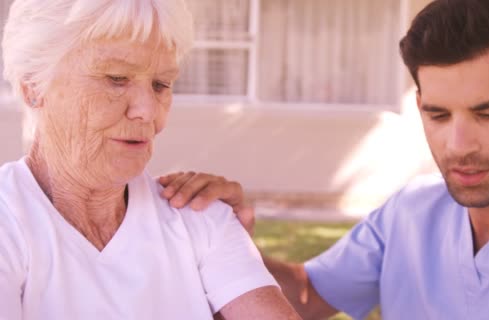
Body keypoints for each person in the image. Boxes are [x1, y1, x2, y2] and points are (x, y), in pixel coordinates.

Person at [163, 0, 489, 319]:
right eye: (438, 114)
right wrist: (228, 246)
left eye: (486, 113)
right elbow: (305, 296)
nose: (458, 144)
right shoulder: (410, 214)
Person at [0, 1, 301, 319]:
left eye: (161, 85)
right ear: (33, 85)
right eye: (116, 78)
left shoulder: (199, 215)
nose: (148, 110)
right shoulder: (9, 221)